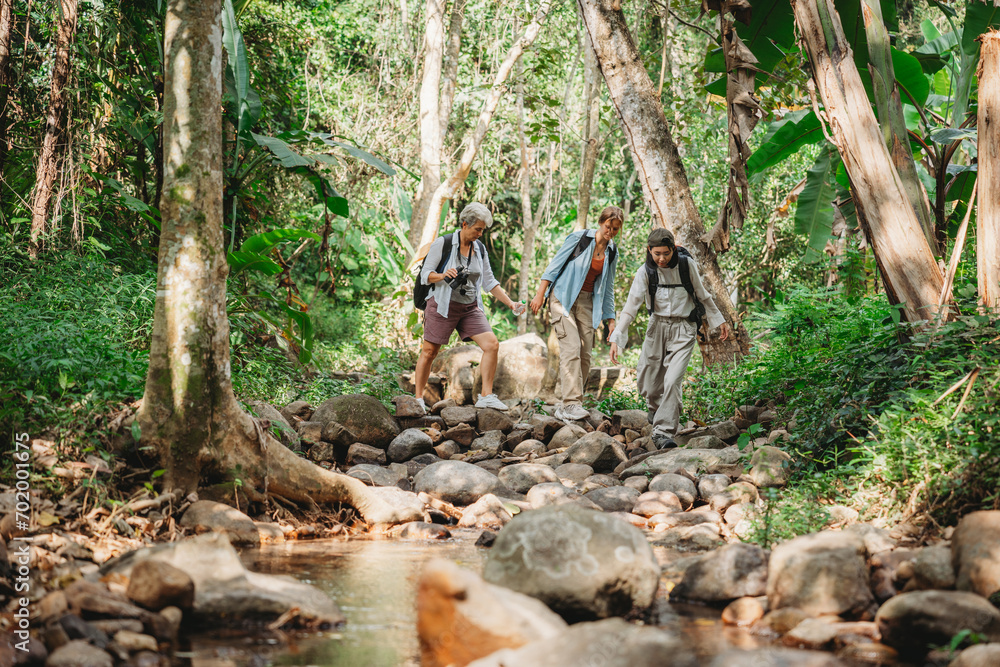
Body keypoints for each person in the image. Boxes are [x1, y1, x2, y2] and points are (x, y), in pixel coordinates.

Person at [609, 228, 731, 448]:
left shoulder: (686, 266)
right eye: (657, 254)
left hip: (684, 327)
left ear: (673, 249)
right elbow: (630, 308)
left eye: (666, 253)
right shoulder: (645, 271)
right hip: (657, 326)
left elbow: (702, 295)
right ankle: (656, 409)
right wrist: (617, 337)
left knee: (673, 379)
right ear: (649, 250)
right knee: (648, 380)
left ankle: (663, 432)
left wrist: (719, 320)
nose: (662, 259)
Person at [413, 203, 526, 413]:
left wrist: (511, 303)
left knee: (492, 345)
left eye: (483, 230)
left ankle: (486, 396)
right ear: (465, 224)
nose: (480, 234)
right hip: (442, 304)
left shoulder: (479, 249)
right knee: (429, 352)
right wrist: (443, 275)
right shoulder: (444, 243)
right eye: (478, 229)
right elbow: (425, 274)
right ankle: (418, 398)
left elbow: (489, 282)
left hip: (469, 307)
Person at [530, 206, 623, 422]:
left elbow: (608, 287)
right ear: (600, 222)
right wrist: (539, 295)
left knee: (585, 354)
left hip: (587, 302)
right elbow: (554, 267)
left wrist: (611, 321)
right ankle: (570, 403)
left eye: (615, 229)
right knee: (571, 347)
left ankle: (572, 404)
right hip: (562, 297)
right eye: (608, 226)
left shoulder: (612, 251)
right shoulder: (580, 238)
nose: (610, 231)